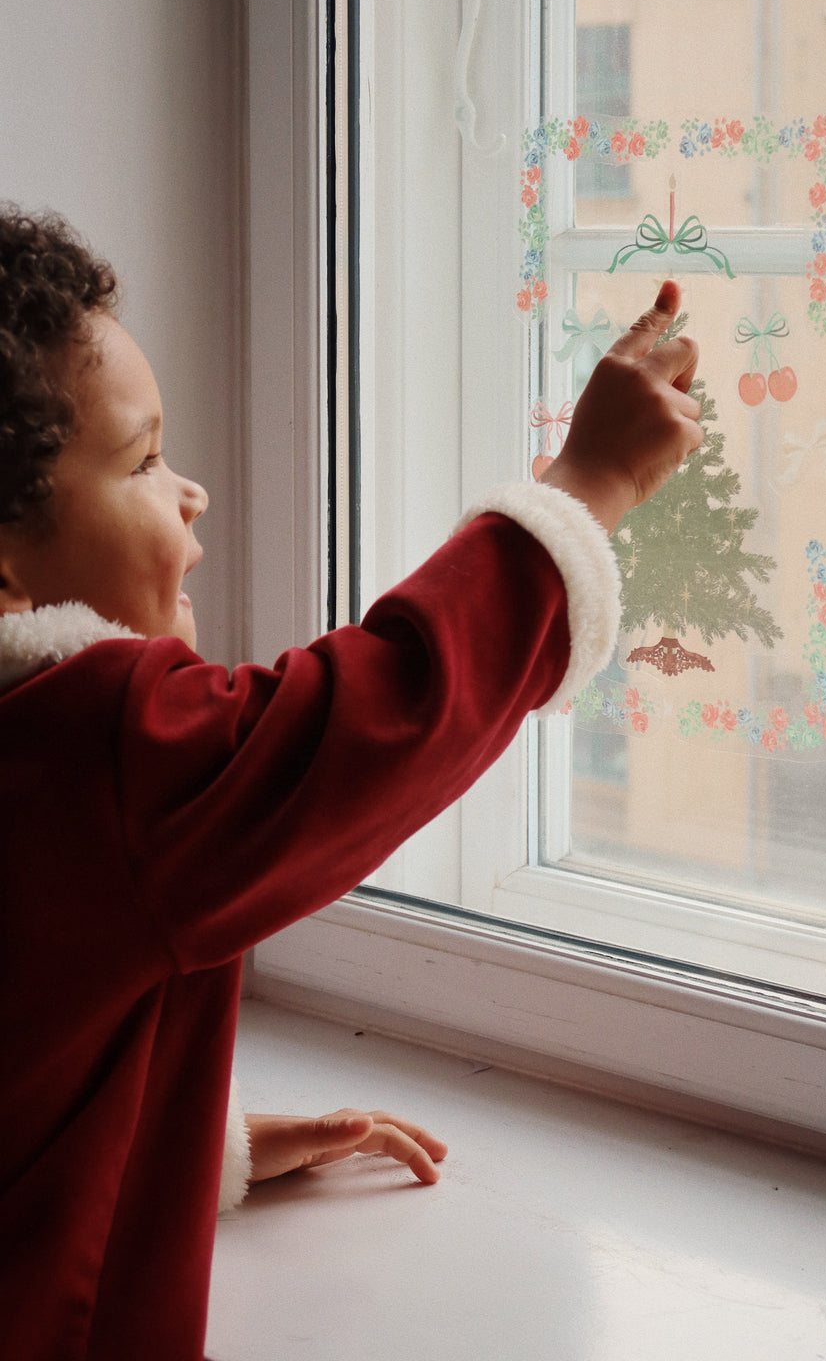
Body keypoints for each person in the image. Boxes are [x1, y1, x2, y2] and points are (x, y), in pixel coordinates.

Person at [0, 206, 703, 1360]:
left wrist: (195, 1147)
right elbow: (375, 718)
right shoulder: (87, 746)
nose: (192, 493)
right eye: (142, 462)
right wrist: (583, 490)